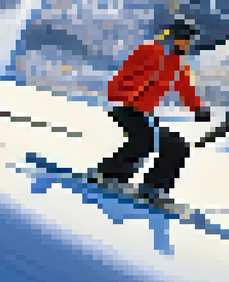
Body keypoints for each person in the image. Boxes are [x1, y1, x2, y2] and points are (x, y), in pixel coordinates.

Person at [90, 16, 213, 207]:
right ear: (176, 36)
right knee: (144, 141)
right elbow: (126, 74)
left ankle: (155, 187)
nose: (189, 44)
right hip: (123, 105)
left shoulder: (177, 62)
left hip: (142, 112)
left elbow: (185, 88)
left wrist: (197, 108)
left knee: (177, 146)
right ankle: (109, 175)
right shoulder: (151, 50)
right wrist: (126, 98)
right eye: (187, 39)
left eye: (191, 40)